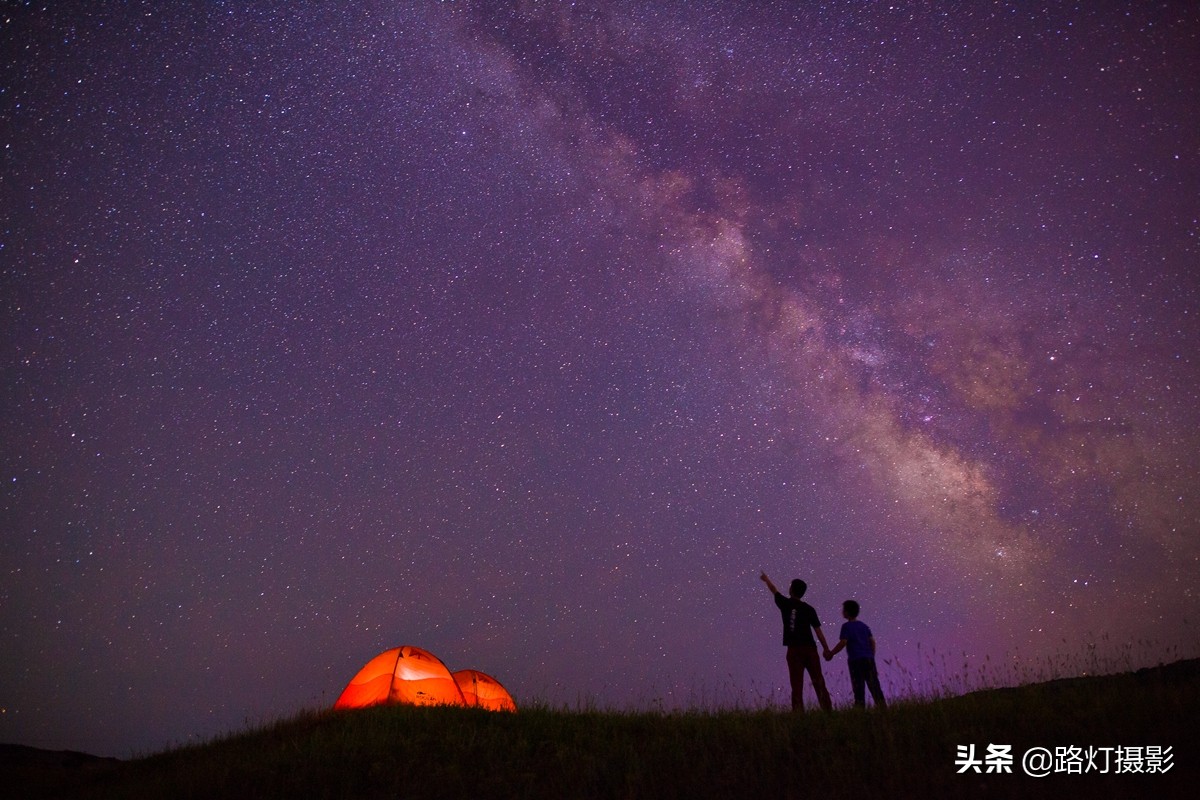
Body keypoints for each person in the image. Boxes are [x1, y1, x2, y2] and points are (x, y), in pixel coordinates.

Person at [759, 572, 833, 712]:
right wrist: (826, 649)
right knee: (819, 681)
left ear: (791, 589)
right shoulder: (809, 609)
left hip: (794, 650)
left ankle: (798, 714)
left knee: (796, 685)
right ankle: (828, 711)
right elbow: (818, 632)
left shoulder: (785, 604)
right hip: (811, 649)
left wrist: (766, 579)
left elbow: (774, 590)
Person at [825, 599, 887, 709]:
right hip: (868, 659)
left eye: (843, 610)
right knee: (874, 685)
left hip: (855, 661)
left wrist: (832, 653)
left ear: (847, 612)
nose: (842, 612)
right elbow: (872, 641)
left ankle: (859, 709)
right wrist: (871, 655)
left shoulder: (846, 626)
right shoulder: (864, 626)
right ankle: (882, 708)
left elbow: (843, 642)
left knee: (858, 686)